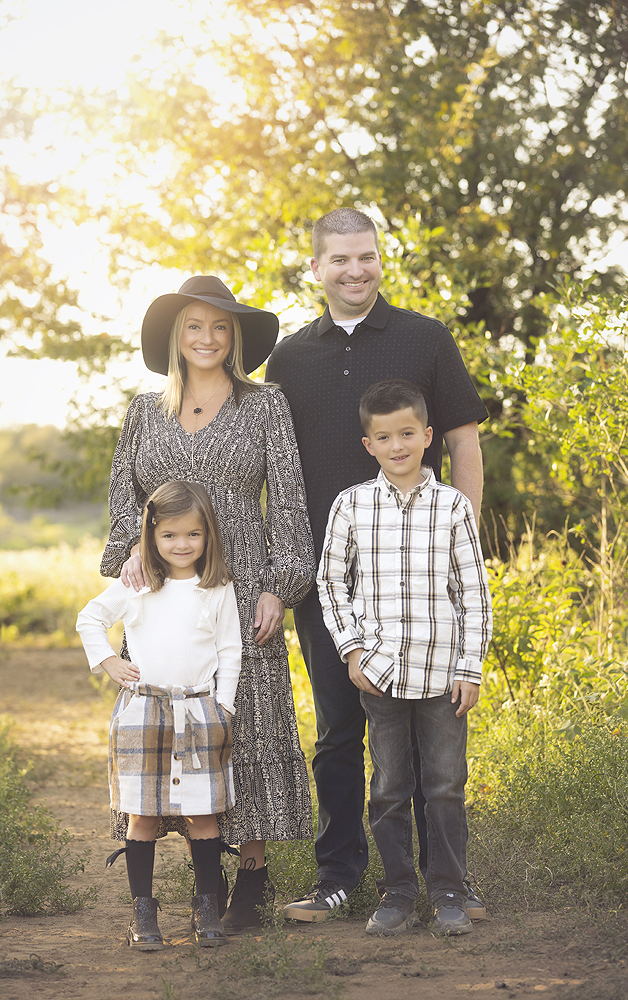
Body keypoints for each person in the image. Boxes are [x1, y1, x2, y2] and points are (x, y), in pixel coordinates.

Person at [265, 208, 489, 921]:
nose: (354, 271)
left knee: (428, 733)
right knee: (338, 729)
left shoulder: (426, 338)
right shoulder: (290, 359)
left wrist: (464, 545)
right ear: (315, 269)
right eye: (339, 260)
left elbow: (464, 443)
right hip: (328, 579)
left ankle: (444, 882)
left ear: (380, 260)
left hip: (425, 578)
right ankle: (340, 878)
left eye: (365, 257)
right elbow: (272, 468)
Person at [101, 275, 315, 933]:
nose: (207, 338)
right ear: (175, 336)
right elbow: (121, 500)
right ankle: (195, 885)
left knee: (240, 721)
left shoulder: (265, 405)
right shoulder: (144, 410)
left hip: (243, 583)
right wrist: (128, 555)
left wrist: (283, 584)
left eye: (221, 327)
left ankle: (250, 875)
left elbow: (287, 502)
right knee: (168, 724)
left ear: (236, 338)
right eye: (194, 326)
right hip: (163, 593)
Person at [318, 380, 492, 936]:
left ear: (428, 437)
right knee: (389, 786)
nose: (398, 446)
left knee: (444, 784)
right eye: (385, 437)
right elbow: (330, 582)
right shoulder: (352, 505)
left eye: (408, 434)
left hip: (444, 674)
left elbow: (474, 593)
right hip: (382, 674)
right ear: (369, 444)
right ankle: (395, 893)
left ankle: (448, 893)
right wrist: (352, 650)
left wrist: (470, 667)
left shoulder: (452, 508)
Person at [77, 481, 241, 948]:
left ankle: (207, 906)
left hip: (199, 711)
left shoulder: (217, 587)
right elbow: (88, 618)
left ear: (208, 534)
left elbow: (230, 649)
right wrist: (109, 662)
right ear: (151, 536)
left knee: (202, 814)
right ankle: (143, 914)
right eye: (169, 536)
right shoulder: (137, 584)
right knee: (143, 815)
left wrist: (223, 706)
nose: (182, 545)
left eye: (193, 534)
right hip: (143, 712)